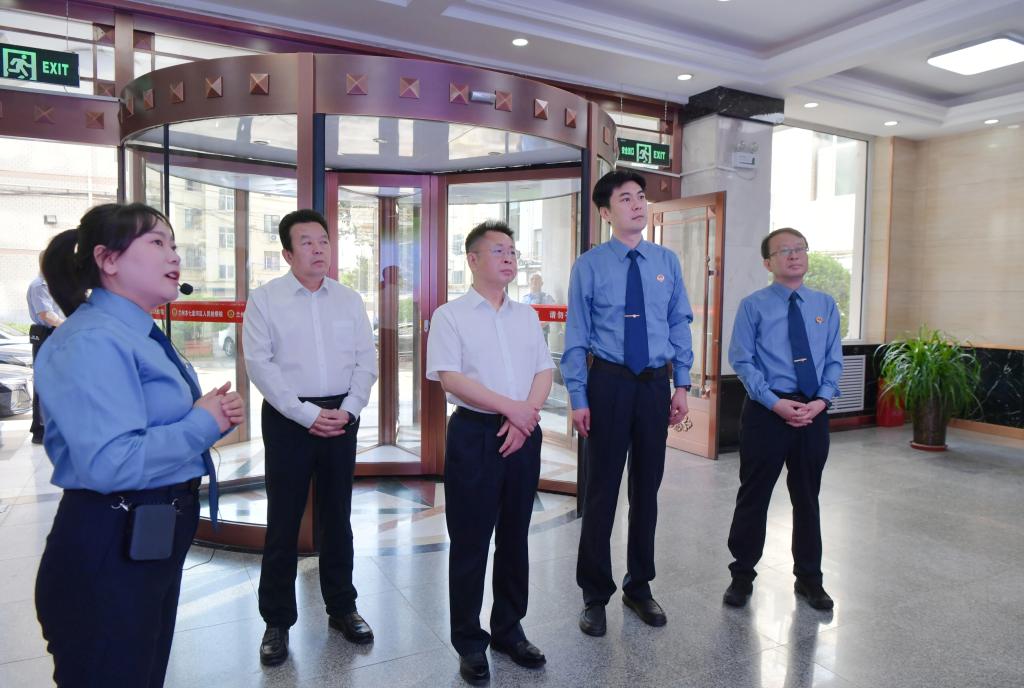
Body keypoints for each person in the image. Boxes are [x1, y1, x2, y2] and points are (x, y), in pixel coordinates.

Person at [33, 202, 243, 687]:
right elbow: (111, 462)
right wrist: (200, 424)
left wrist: (207, 418)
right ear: (108, 259)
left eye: (173, 244)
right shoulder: (92, 341)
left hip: (149, 535)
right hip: (110, 540)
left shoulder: (137, 332)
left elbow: (148, 426)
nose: (174, 256)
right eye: (157, 243)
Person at [561, 170, 694, 637]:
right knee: (601, 491)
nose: (637, 205)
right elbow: (576, 335)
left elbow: (679, 323)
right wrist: (578, 396)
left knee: (646, 489)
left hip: (655, 384)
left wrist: (682, 384)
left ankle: (639, 586)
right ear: (605, 212)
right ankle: (594, 594)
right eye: (625, 199)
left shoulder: (666, 261)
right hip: (609, 383)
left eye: (641, 197)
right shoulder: (590, 265)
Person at [243, 208, 377, 667]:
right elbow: (260, 365)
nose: (319, 249)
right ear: (287, 253)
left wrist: (350, 409)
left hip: (341, 416)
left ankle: (342, 607)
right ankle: (276, 621)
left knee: (338, 516)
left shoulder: (348, 299)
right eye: (307, 242)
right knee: (283, 520)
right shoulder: (265, 300)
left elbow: (366, 360)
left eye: (323, 241)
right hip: (288, 418)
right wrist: (305, 415)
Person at [426, 220, 553, 685]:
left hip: (523, 431)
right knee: (471, 541)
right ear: (473, 259)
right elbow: (451, 378)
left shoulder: (526, 316)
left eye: (513, 251)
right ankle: (469, 641)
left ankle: (508, 629)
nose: (509, 257)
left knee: (515, 535)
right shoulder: (451, 315)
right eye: (498, 250)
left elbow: (543, 369)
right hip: (475, 434)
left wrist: (525, 416)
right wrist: (511, 410)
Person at [722, 227, 843, 611]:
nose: (793, 255)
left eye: (799, 249)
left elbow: (834, 360)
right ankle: (741, 576)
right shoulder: (753, 306)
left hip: (812, 413)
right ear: (767, 263)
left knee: (808, 497)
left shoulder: (825, 305)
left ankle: (810, 579)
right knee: (754, 496)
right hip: (767, 412)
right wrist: (774, 403)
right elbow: (742, 360)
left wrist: (821, 402)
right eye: (784, 251)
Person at [26, 257, 65, 444]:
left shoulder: (54, 284)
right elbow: (47, 315)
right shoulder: (39, 286)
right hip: (47, 336)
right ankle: (40, 431)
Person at [521, 272, 554, 340]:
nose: (534, 281)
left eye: (537, 279)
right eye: (532, 279)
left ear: (542, 283)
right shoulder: (525, 299)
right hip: (526, 333)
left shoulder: (547, 298)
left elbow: (552, 314)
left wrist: (542, 324)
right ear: (529, 283)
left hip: (541, 333)